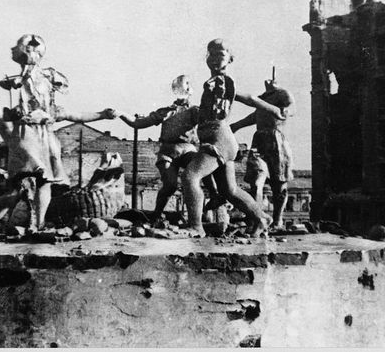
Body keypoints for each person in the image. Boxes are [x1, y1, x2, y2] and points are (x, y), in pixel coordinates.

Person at [0, 34, 116, 231]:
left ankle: (36, 224)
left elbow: (78, 115)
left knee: (42, 182)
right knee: (26, 184)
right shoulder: (20, 81)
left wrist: (102, 114)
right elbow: (8, 101)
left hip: (46, 137)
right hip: (26, 134)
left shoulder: (50, 100)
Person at [180, 39, 285, 238]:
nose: (214, 59)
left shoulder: (222, 81)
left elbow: (250, 98)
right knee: (230, 190)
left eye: (220, 54)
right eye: (211, 54)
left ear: (230, 59)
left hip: (218, 136)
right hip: (220, 138)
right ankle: (261, 218)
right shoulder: (214, 81)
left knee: (190, 176)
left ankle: (195, 227)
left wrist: (274, 110)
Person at [116, 75, 220, 223]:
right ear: (174, 90)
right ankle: (156, 215)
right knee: (170, 186)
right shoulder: (165, 111)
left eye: (186, 84)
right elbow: (138, 123)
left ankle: (214, 196)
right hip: (168, 152)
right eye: (178, 85)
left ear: (190, 90)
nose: (183, 88)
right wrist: (121, 114)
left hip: (188, 149)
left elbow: (211, 121)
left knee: (202, 164)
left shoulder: (194, 111)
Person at [230, 76, 295, 229]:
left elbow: (291, 108)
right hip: (259, 140)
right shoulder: (262, 99)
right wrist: (237, 125)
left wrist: (287, 110)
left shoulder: (282, 93)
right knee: (256, 180)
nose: (268, 81)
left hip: (276, 139)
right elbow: (256, 116)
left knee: (279, 183)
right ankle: (256, 218)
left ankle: (278, 221)